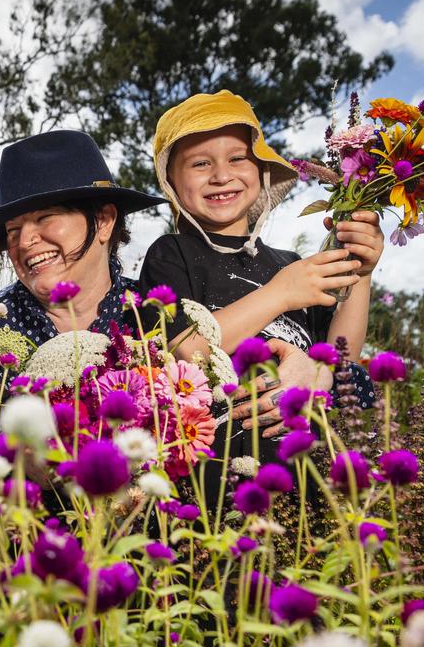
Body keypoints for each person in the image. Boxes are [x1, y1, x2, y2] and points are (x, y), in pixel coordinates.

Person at [140, 89, 381, 459]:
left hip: (307, 461)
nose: (222, 175)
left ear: (261, 171)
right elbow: (187, 351)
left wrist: (360, 273)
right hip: (221, 470)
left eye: (238, 158)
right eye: (200, 164)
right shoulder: (170, 255)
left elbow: (338, 356)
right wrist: (280, 294)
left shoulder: (290, 262)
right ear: (172, 182)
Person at [0, 129, 166, 398]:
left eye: (46, 217)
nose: (25, 241)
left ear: (104, 221)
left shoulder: (161, 320)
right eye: (13, 230)